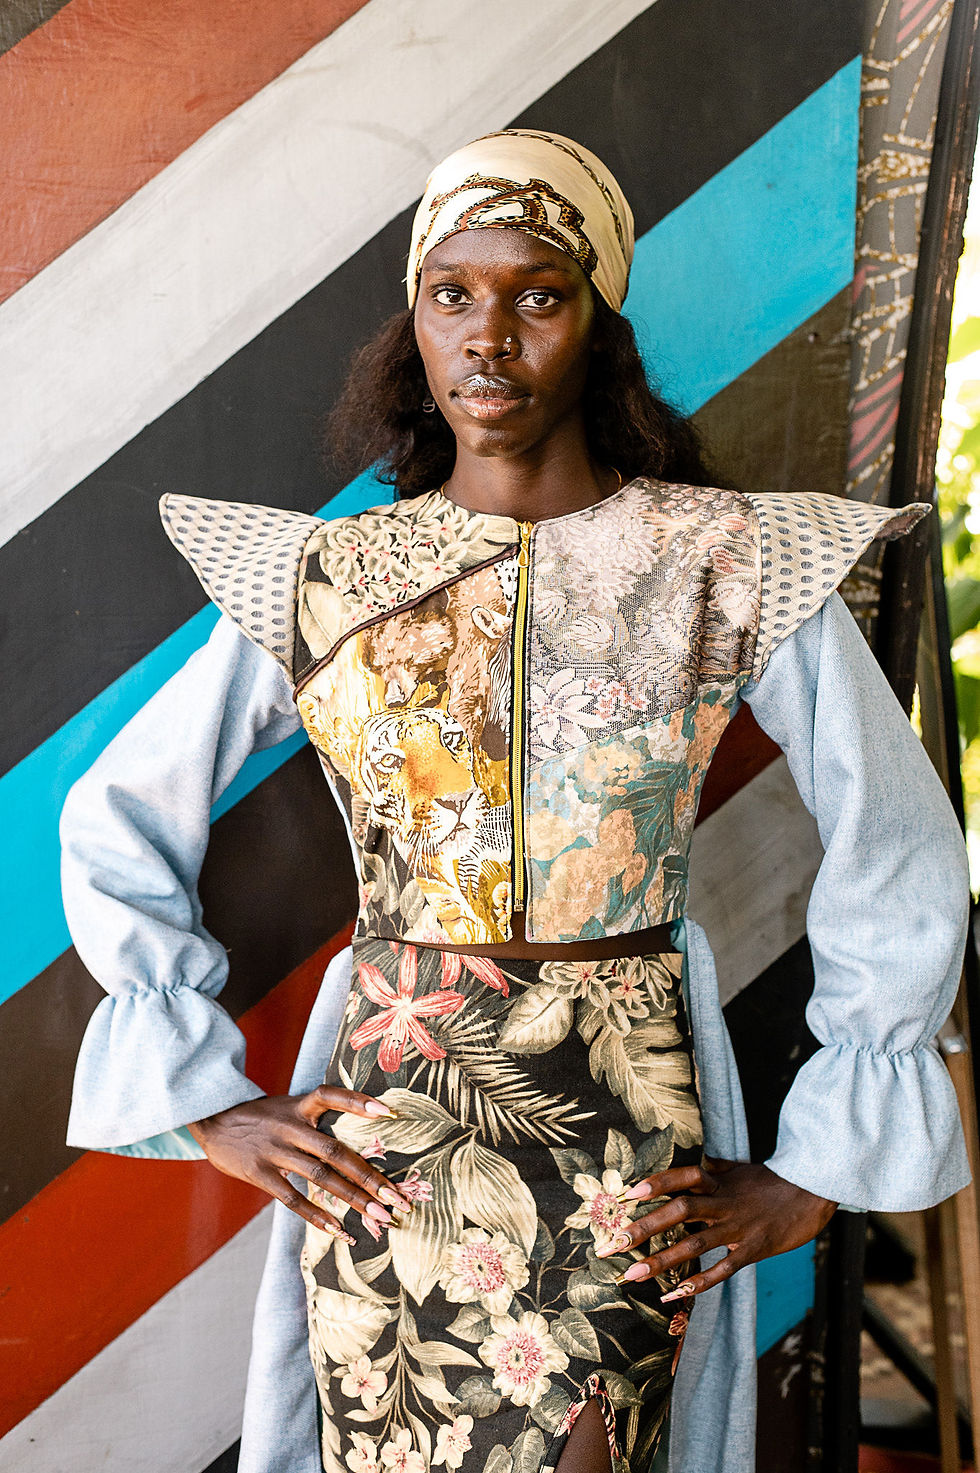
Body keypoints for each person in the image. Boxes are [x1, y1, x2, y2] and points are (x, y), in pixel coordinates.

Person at [61, 131, 970, 1473]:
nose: (490, 336)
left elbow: (900, 835)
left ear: (598, 325)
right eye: (454, 295)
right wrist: (206, 1098)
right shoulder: (332, 577)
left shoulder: (724, 561)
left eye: (538, 294)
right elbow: (117, 815)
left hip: (618, 1142)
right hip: (387, 1146)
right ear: (416, 325)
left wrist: (817, 1166)